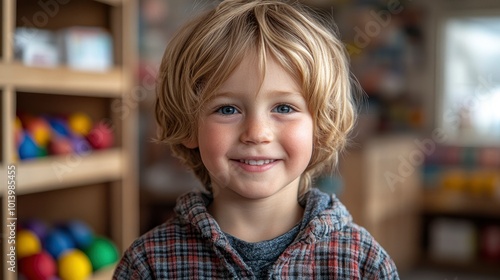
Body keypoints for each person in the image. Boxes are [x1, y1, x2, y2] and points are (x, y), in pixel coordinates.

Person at [114, 0, 399, 279]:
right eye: (227, 109)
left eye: (284, 108)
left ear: (320, 127)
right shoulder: (148, 263)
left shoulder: (363, 263)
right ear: (189, 126)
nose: (257, 132)